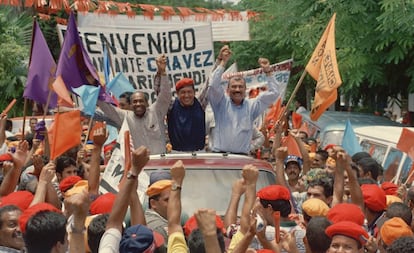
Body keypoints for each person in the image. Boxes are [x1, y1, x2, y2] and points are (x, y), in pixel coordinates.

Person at [207, 45, 282, 155]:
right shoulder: (220, 103)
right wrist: (223, 62)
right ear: (227, 89)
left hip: (242, 159)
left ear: (245, 89)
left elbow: (275, 93)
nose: (237, 89)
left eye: (240, 87)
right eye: (234, 86)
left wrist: (268, 71)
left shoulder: (252, 106)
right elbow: (213, 84)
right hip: (221, 158)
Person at [98, 55, 172, 154]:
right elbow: (106, 107)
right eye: (135, 102)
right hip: (141, 166)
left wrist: (162, 72)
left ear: (147, 103)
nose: (138, 104)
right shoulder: (126, 117)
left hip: (161, 164)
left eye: (141, 101)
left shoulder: (156, 111)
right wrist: (95, 86)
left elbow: (165, 95)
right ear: (131, 105)